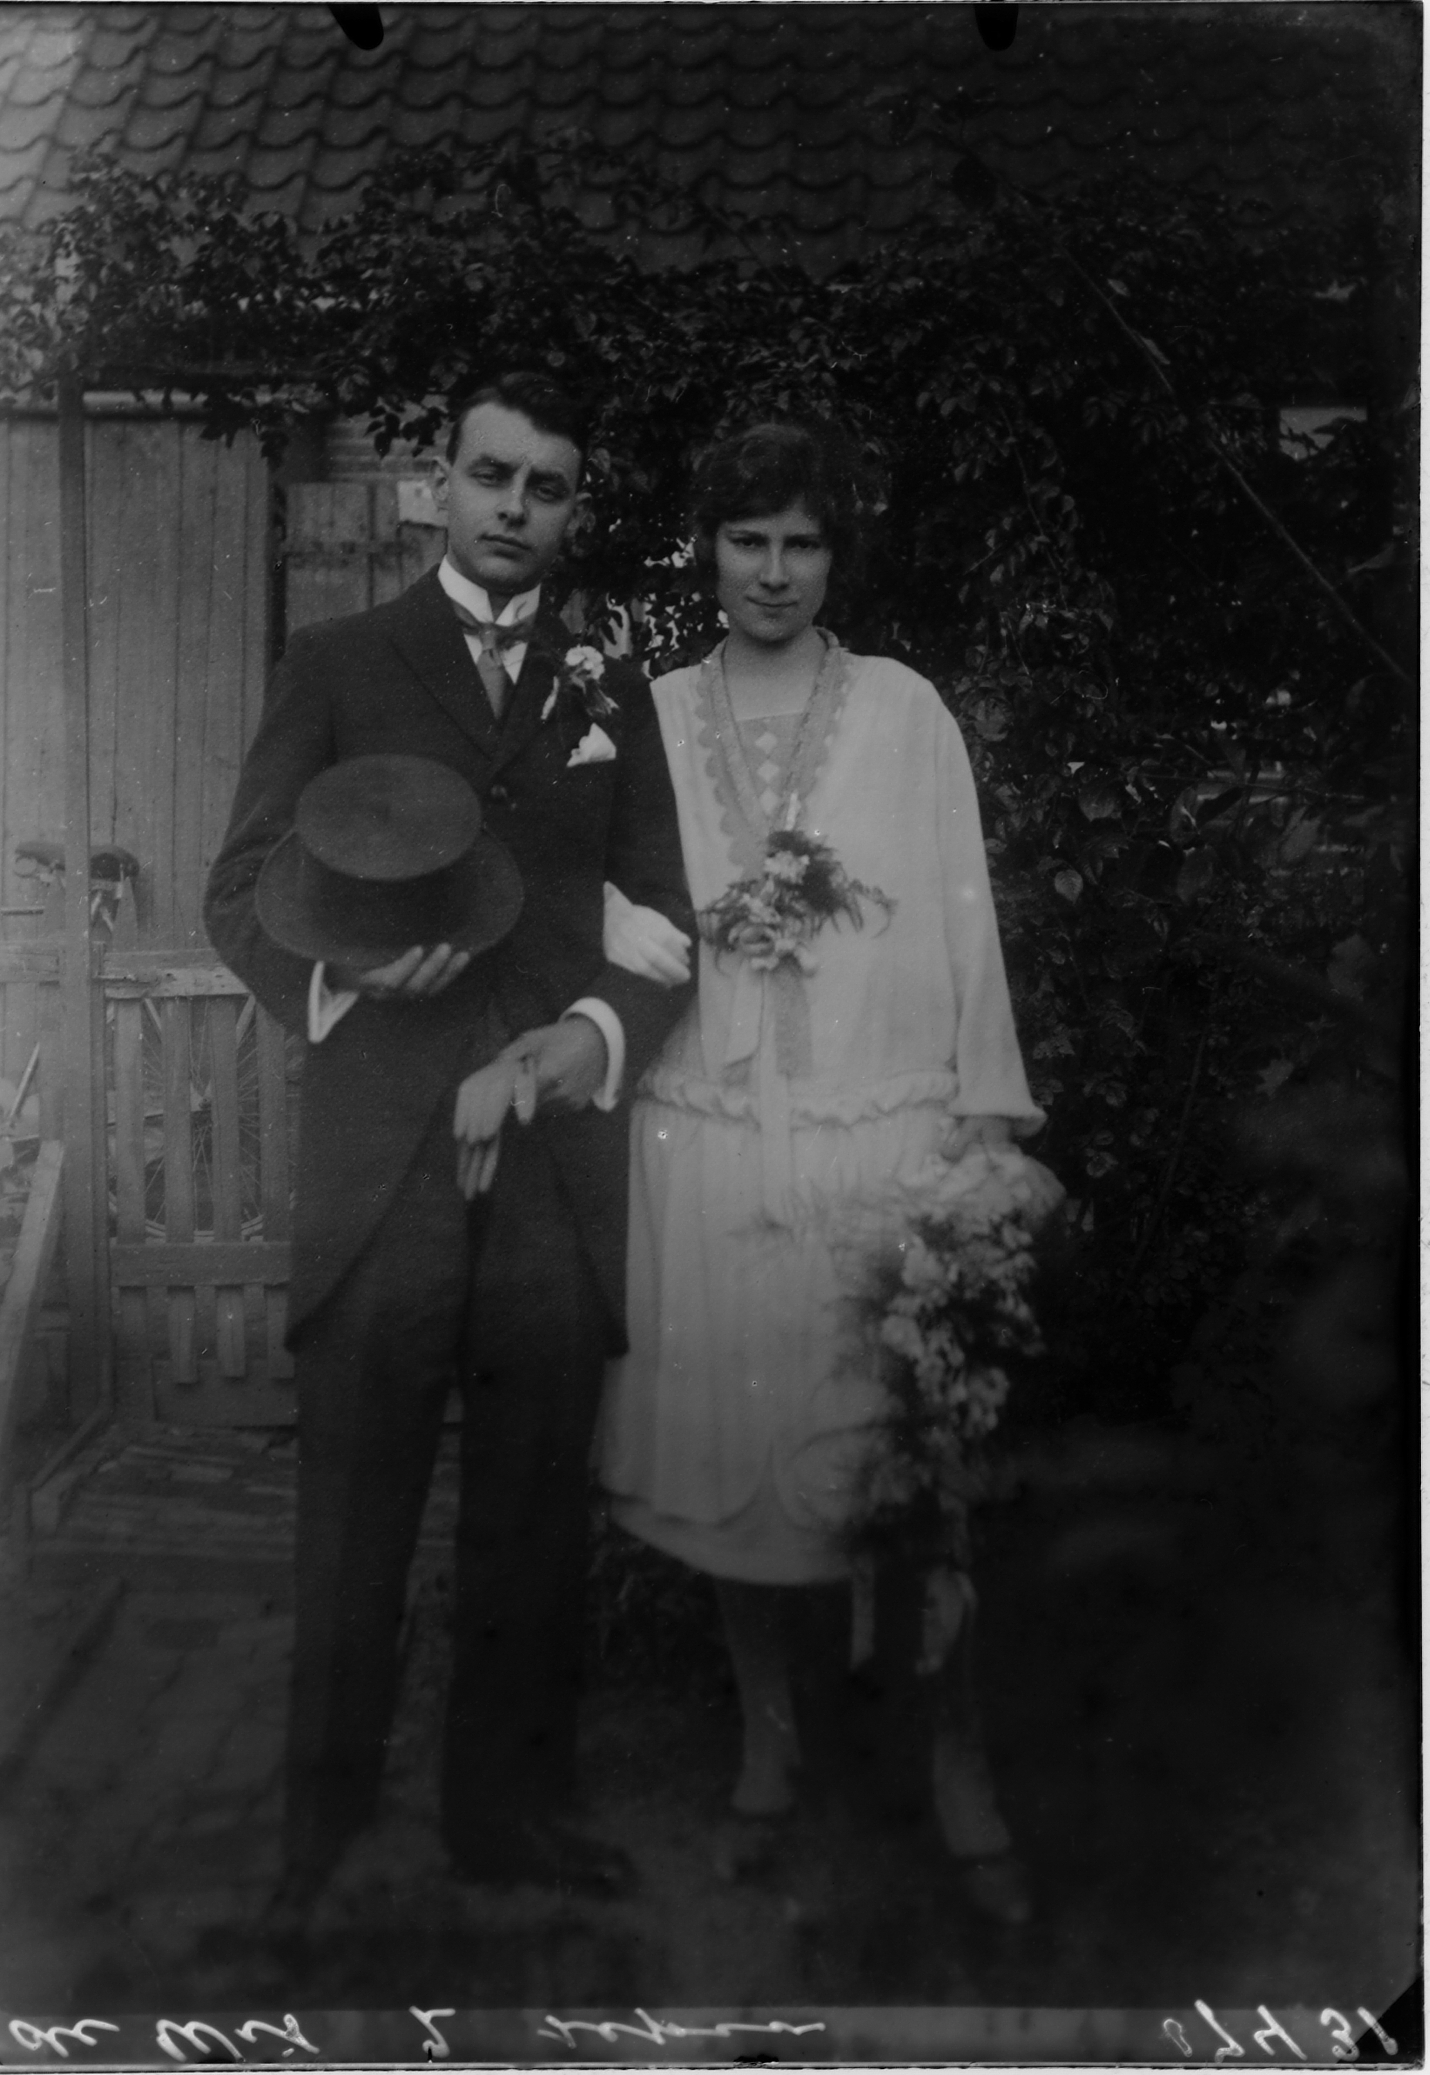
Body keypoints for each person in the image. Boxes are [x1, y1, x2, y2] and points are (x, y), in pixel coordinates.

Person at [205, 372, 695, 1910]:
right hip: (386, 1159)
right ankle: (321, 1820)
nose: (513, 507)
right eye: (492, 475)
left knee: (534, 1511)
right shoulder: (342, 662)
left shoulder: (609, 687)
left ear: (573, 509)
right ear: (439, 486)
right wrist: (345, 978)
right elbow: (241, 891)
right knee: (357, 1499)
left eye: (546, 486)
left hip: (550, 1156)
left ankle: (510, 1814)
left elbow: (666, 916)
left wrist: (590, 1035)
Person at [597, 421, 1046, 1922]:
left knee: (912, 1477)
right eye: (749, 541)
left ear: (837, 557)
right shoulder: (654, 714)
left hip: (881, 1141)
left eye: (803, 544)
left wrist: (986, 1122)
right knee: (742, 1481)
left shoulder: (907, 711)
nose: (775, 572)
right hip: (714, 1143)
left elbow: (965, 917)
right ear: (708, 550)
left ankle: (958, 1766)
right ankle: (768, 1751)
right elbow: (594, 897)